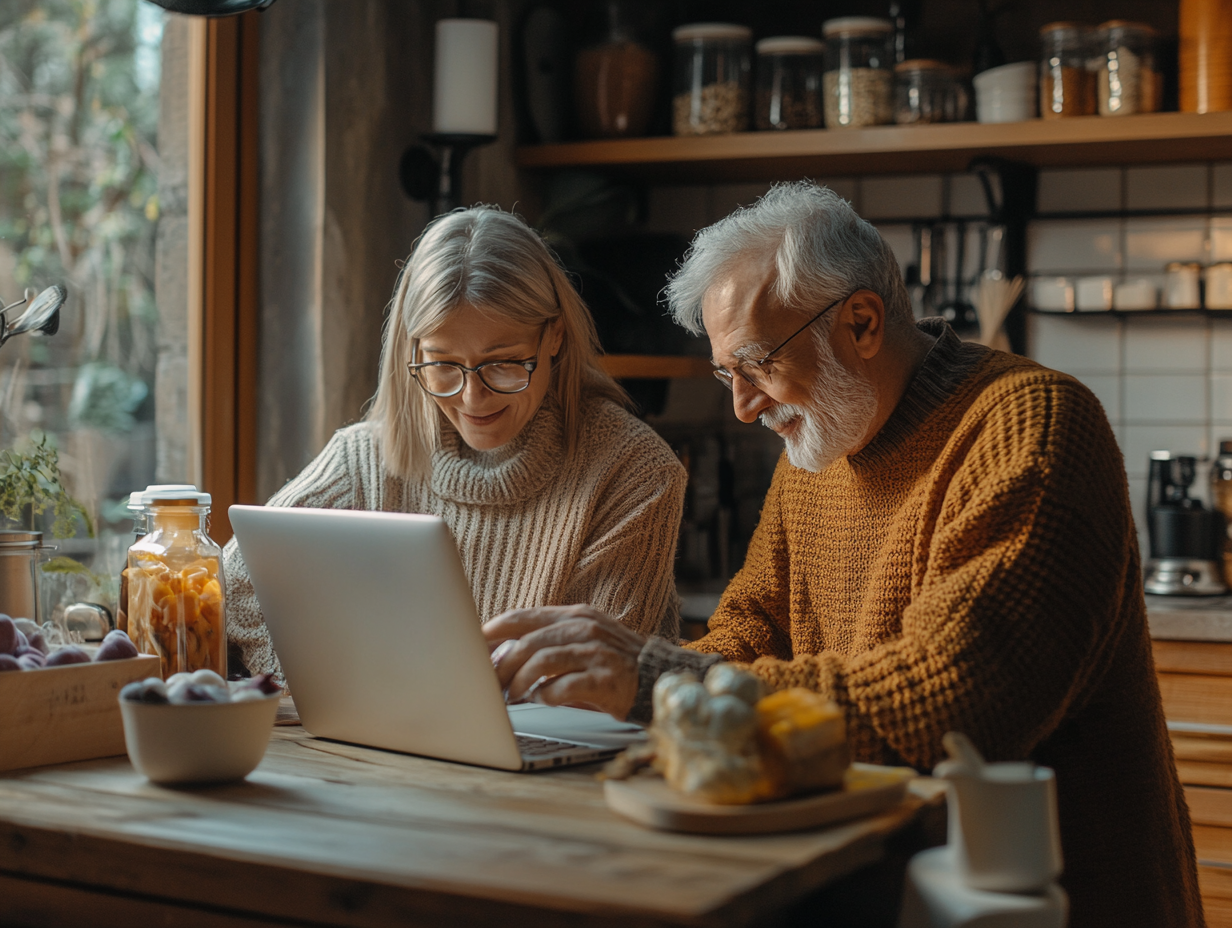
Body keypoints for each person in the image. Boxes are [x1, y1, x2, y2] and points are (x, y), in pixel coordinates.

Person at [483, 182, 1203, 927]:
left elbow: (952, 705)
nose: (743, 406)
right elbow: (745, 634)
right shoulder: (816, 454)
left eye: (757, 364)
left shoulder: (1033, 424)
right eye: (727, 373)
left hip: (1057, 902)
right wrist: (613, 683)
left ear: (861, 322)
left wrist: (652, 679)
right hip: (882, 887)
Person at [225, 206, 686, 680]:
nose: (472, 397)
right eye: (443, 364)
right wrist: (314, 681)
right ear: (414, 350)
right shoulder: (363, 459)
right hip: (383, 745)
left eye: (502, 363)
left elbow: (595, 680)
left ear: (555, 337)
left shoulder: (633, 470)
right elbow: (237, 580)